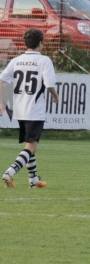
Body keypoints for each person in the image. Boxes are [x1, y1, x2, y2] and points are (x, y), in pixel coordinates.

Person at [0, 28, 59, 188]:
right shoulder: (44, 60)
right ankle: (10, 172)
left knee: (29, 144)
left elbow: (1, 79)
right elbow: (49, 84)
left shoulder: (16, 60)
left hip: (19, 109)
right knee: (32, 146)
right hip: (34, 109)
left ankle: (33, 180)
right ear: (41, 42)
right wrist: (55, 95)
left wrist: (2, 102)